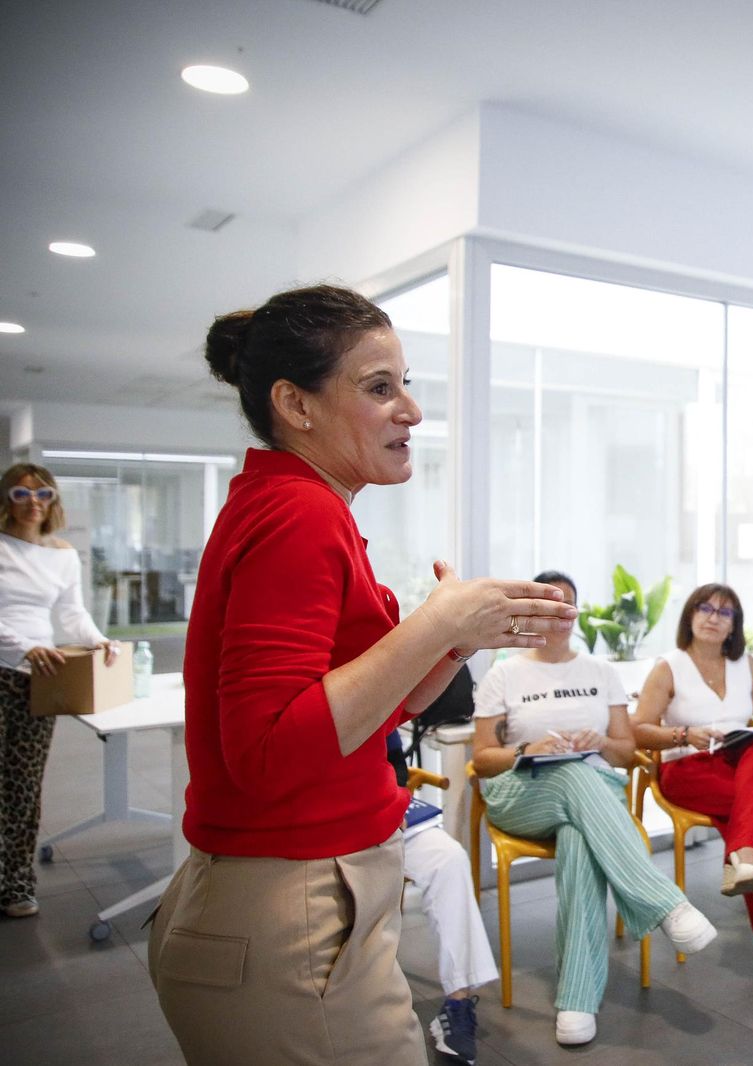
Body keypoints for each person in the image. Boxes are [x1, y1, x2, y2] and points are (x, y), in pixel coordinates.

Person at [147, 285, 577, 1066]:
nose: (411, 410)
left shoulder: (305, 506)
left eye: (404, 383)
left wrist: (455, 640)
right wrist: (434, 625)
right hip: (291, 913)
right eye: (380, 388)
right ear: (295, 405)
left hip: (295, 902)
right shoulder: (300, 514)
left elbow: (377, 708)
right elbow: (266, 752)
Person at [472, 570, 716, 1047]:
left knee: (579, 837)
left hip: (592, 798)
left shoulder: (601, 672)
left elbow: (625, 753)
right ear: (531, 614)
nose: (560, 613)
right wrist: (529, 749)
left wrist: (600, 742)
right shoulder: (504, 673)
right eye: (549, 604)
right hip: (522, 794)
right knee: (570, 773)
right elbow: (483, 760)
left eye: (568, 604)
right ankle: (664, 903)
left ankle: (577, 999)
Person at [634, 583, 753, 975]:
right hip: (688, 767)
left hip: (740, 764)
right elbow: (638, 730)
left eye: (724, 612)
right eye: (705, 608)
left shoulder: (745, 664)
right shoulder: (669, 666)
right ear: (690, 615)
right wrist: (684, 734)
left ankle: (745, 856)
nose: (713, 618)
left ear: (734, 625)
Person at [0, 463, 118, 919]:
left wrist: (98, 640)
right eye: (21, 493)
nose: (33, 502)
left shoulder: (63, 555)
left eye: (43, 493)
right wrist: (23, 647)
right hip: (6, 666)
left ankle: (16, 884)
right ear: (6, 499)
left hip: (40, 678)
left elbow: (72, 613)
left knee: (25, 786)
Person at [384, 731, 498, 1064]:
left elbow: (395, 762)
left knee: (449, 858)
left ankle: (457, 1003)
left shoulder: (373, 707)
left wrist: (392, 799)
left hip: (383, 813)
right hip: (320, 821)